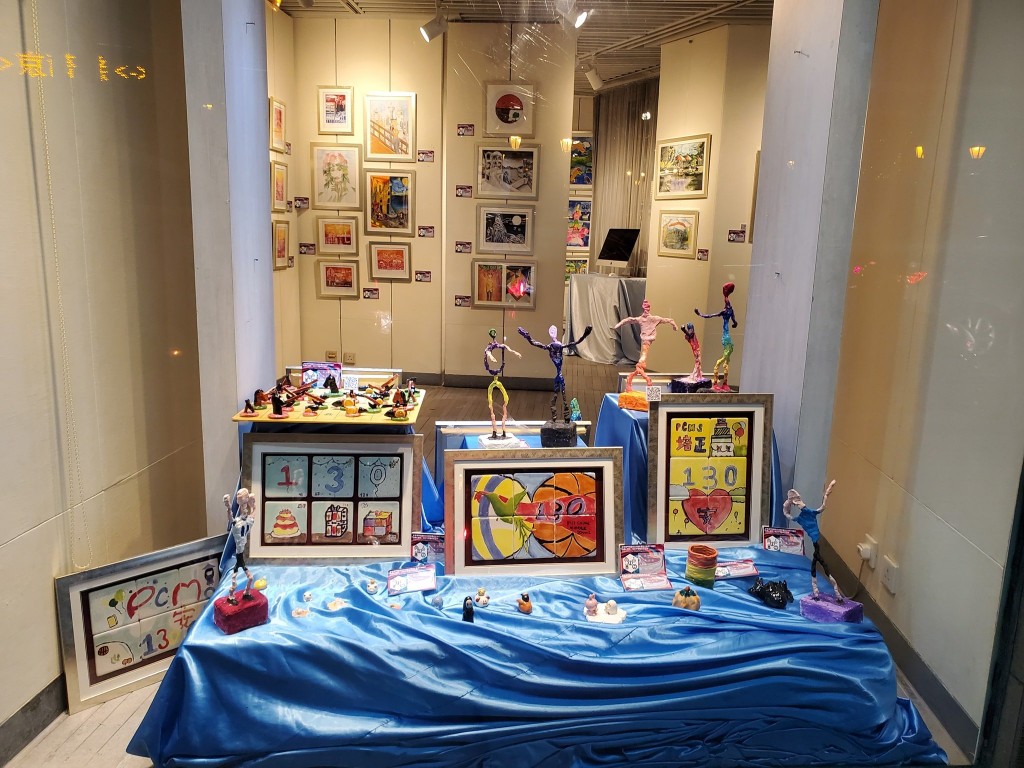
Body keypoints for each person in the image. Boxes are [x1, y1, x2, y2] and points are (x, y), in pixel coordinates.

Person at [517, 324, 592, 422]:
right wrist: (526, 335)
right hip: (559, 374)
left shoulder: (554, 346)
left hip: (559, 374)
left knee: (559, 394)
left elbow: (576, 342)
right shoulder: (554, 346)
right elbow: (534, 343)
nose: (556, 355)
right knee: (559, 394)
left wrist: (586, 333)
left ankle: (560, 415)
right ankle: (559, 415)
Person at [783, 480, 844, 601]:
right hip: (816, 543)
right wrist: (788, 504)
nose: (798, 506)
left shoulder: (807, 514)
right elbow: (787, 514)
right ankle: (822, 593)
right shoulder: (801, 518)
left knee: (820, 567)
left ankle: (832, 594)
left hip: (817, 542)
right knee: (817, 566)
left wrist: (827, 492)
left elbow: (822, 507)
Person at [613, 299, 678, 391]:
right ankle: (640, 376)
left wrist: (674, 325)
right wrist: (619, 324)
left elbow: (669, 320)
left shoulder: (653, 319)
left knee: (642, 358)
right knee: (642, 359)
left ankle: (641, 375)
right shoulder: (646, 319)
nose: (646, 310)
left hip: (647, 341)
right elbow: (629, 320)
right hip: (646, 341)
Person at [695, 282, 739, 391]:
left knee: (724, 361)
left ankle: (719, 383)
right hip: (727, 338)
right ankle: (720, 383)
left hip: (726, 337)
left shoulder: (725, 311)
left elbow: (710, 316)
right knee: (726, 361)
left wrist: (700, 314)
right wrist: (734, 324)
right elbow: (735, 322)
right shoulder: (730, 311)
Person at [484, 329, 521, 439]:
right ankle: (495, 430)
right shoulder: (489, 348)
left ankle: (503, 429)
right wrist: (491, 357)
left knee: (505, 400)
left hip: (496, 380)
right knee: (491, 404)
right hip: (494, 380)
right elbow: (488, 352)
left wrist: (515, 352)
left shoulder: (499, 346)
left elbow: (507, 348)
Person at [223, 489, 256, 605]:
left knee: (250, 578)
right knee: (234, 579)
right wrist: (228, 507)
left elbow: (253, 514)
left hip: (241, 557)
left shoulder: (248, 522)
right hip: (238, 557)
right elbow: (231, 518)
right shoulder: (236, 523)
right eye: (243, 507)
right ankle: (231, 595)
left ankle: (246, 592)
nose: (245, 509)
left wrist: (253, 505)